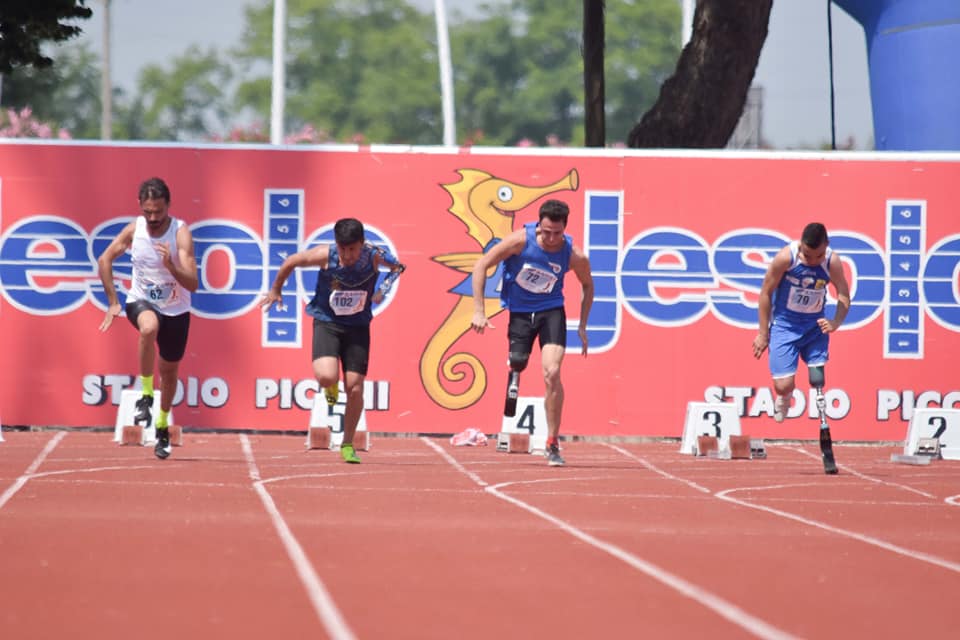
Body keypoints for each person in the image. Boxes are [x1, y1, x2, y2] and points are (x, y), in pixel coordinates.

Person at [259, 218, 405, 464]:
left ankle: (347, 444)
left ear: (362, 244)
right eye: (343, 249)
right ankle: (330, 389)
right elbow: (292, 261)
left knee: (355, 386)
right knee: (327, 376)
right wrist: (276, 289)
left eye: (352, 249)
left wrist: (383, 288)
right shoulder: (325, 256)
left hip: (358, 326)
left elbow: (398, 267)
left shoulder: (375, 256)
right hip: (328, 322)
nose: (347, 255)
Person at [470, 199, 594, 467]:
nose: (551, 239)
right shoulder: (519, 241)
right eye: (546, 232)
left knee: (552, 372)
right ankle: (515, 368)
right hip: (520, 312)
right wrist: (478, 311)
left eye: (557, 233)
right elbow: (481, 265)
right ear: (539, 226)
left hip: (551, 311)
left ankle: (552, 441)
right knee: (518, 361)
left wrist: (582, 324)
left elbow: (587, 285)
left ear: (565, 229)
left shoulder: (574, 255)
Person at [98, 177, 198, 460]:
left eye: (158, 212)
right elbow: (104, 260)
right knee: (148, 327)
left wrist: (171, 267)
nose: (153, 218)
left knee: (169, 372)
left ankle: (163, 425)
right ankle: (145, 394)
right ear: (140, 207)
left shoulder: (180, 234)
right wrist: (114, 302)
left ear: (169, 206)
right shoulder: (135, 230)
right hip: (140, 301)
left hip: (176, 309)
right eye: (148, 212)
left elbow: (193, 284)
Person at [752, 222, 851, 474]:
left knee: (817, 379)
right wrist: (763, 334)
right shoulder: (785, 258)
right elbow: (765, 294)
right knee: (783, 385)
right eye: (808, 255)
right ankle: (784, 397)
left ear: (826, 246)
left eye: (817, 255)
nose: (812, 260)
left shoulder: (832, 262)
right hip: (785, 327)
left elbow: (843, 294)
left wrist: (835, 322)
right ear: (801, 247)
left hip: (815, 327)